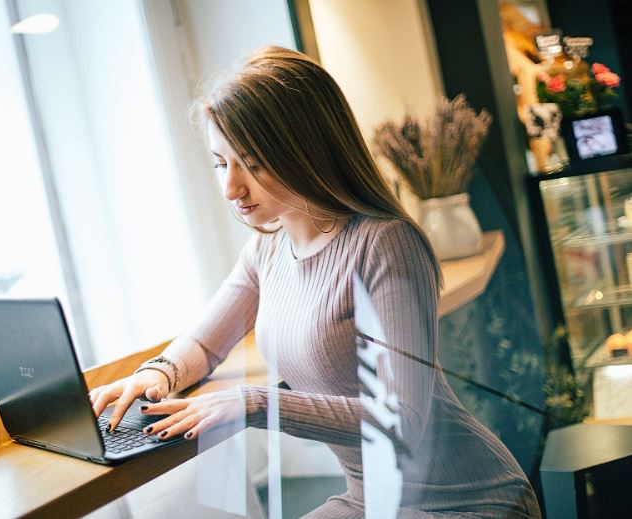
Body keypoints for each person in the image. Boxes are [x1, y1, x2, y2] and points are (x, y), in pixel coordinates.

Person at [89, 46, 540, 518]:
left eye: (252, 162)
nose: (231, 188)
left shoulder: (386, 244)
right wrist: (155, 375)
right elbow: (204, 345)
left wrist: (255, 404)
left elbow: (403, 421)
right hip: (371, 500)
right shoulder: (267, 250)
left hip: (465, 500)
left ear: (305, 149)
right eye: (221, 163)